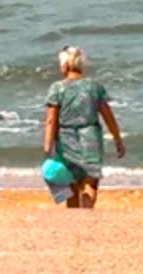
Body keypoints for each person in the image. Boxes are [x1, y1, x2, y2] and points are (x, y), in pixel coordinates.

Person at [42, 46, 124, 209]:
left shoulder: (57, 88)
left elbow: (51, 120)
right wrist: (117, 139)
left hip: (66, 139)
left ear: (65, 65)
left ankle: (75, 222)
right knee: (90, 182)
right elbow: (108, 115)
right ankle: (87, 216)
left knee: (71, 184)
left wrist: (48, 145)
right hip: (91, 137)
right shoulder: (94, 87)